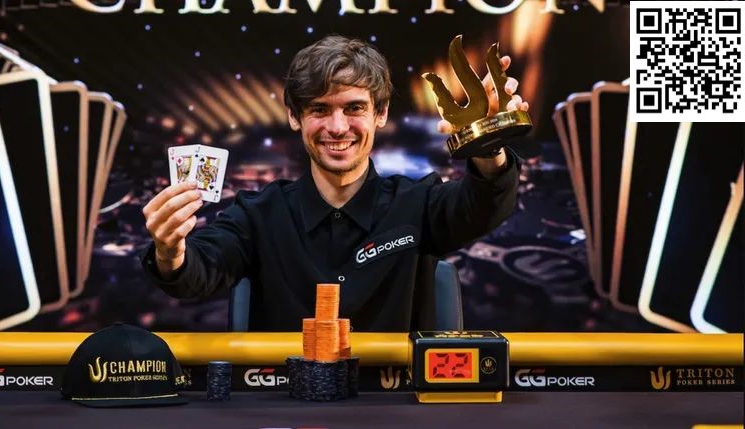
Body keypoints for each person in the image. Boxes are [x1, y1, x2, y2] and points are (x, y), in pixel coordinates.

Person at [141, 35, 528, 332]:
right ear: (295, 117)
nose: (338, 127)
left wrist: (487, 146)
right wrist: (170, 252)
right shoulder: (256, 215)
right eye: (319, 109)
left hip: (396, 405)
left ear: (381, 113)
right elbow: (195, 274)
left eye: (354, 108)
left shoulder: (420, 203)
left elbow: (484, 206)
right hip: (284, 404)